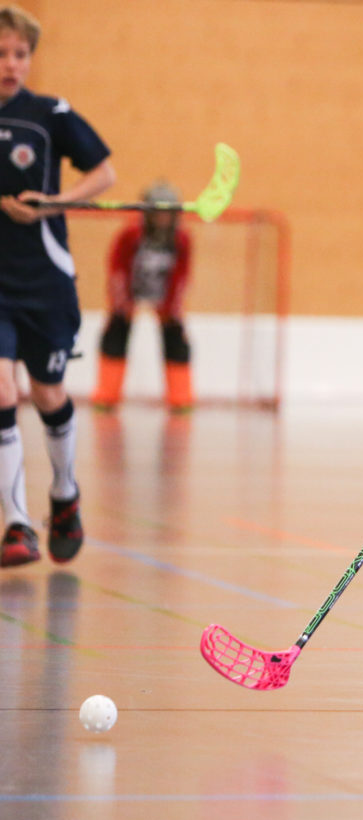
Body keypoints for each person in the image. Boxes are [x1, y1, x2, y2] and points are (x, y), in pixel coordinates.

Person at [0, 4, 114, 567]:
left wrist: (52, 204)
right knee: (1, 391)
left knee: (47, 395)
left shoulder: (50, 114)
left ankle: (64, 494)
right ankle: (18, 524)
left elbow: (104, 173)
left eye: (20, 54)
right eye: (1, 54)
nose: (11, 64)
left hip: (45, 281)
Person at [90, 180, 194, 412]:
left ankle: (181, 398)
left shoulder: (181, 238)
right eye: (157, 212)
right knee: (115, 334)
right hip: (131, 291)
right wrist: (121, 300)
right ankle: (106, 396)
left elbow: (182, 274)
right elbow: (117, 266)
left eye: (167, 213)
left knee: (177, 339)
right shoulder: (131, 234)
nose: (162, 218)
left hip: (165, 294)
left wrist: (174, 305)